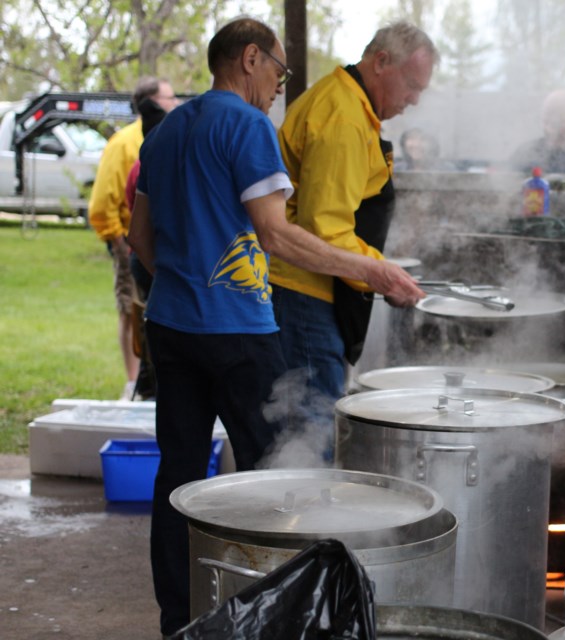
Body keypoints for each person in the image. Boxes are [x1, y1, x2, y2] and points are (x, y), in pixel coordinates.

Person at [127, 17, 423, 636]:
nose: (280, 88)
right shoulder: (247, 125)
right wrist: (375, 272)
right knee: (279, 477)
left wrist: (188, 282)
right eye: (280, 72)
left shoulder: (166, 129)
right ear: (250, 59)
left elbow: (141, 240)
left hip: (172, 328)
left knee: (178, 473)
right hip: (237, 330)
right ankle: (276, 617)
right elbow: (279, 234)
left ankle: (179, 619)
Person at [269, 21, 439, 406]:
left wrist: (382, 270)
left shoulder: (351, 105)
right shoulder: (342, 117)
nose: (414, 100)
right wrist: (382, 273)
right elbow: (324, 230)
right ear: (381, 62)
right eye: (412, 85)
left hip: (317, 290)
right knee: (309, 432)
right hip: (304, 293)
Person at [88, 77, 178, 401]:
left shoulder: (168, 137)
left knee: (150, 315)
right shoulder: (126, 143)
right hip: (134, 242)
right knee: (132, 311)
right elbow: (101, 203)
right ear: (151, 102)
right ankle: (135, 383)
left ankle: (148, 380)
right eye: (169, 97)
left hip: (151, 244)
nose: (175, 102)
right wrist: (121, 241)